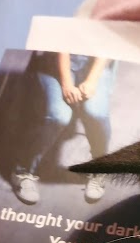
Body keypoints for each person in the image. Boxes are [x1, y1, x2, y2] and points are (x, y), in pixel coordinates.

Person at [13, 52, 115, 204]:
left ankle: (99, 168)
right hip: (55, 58)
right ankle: (22, 170)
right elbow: (62, 43)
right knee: (59, 116)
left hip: (95, 59)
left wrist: (92, 81)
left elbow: (108, 43)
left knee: (96, 113)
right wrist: (66, 84)